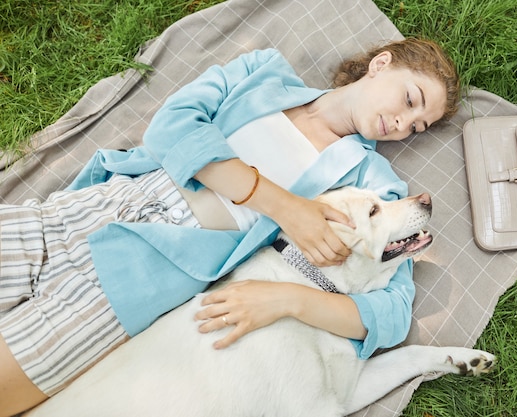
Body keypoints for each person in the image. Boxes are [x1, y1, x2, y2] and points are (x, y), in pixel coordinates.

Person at [0, 37, 459, 416]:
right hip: (87, 208)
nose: (402, 123)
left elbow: (393, 311)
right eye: (410, 100)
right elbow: (170, 129)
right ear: (381, 64)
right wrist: (284, 206)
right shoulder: (264, 71)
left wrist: (291, 301)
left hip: (138, 276)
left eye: (417, 127)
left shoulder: (370, 183)